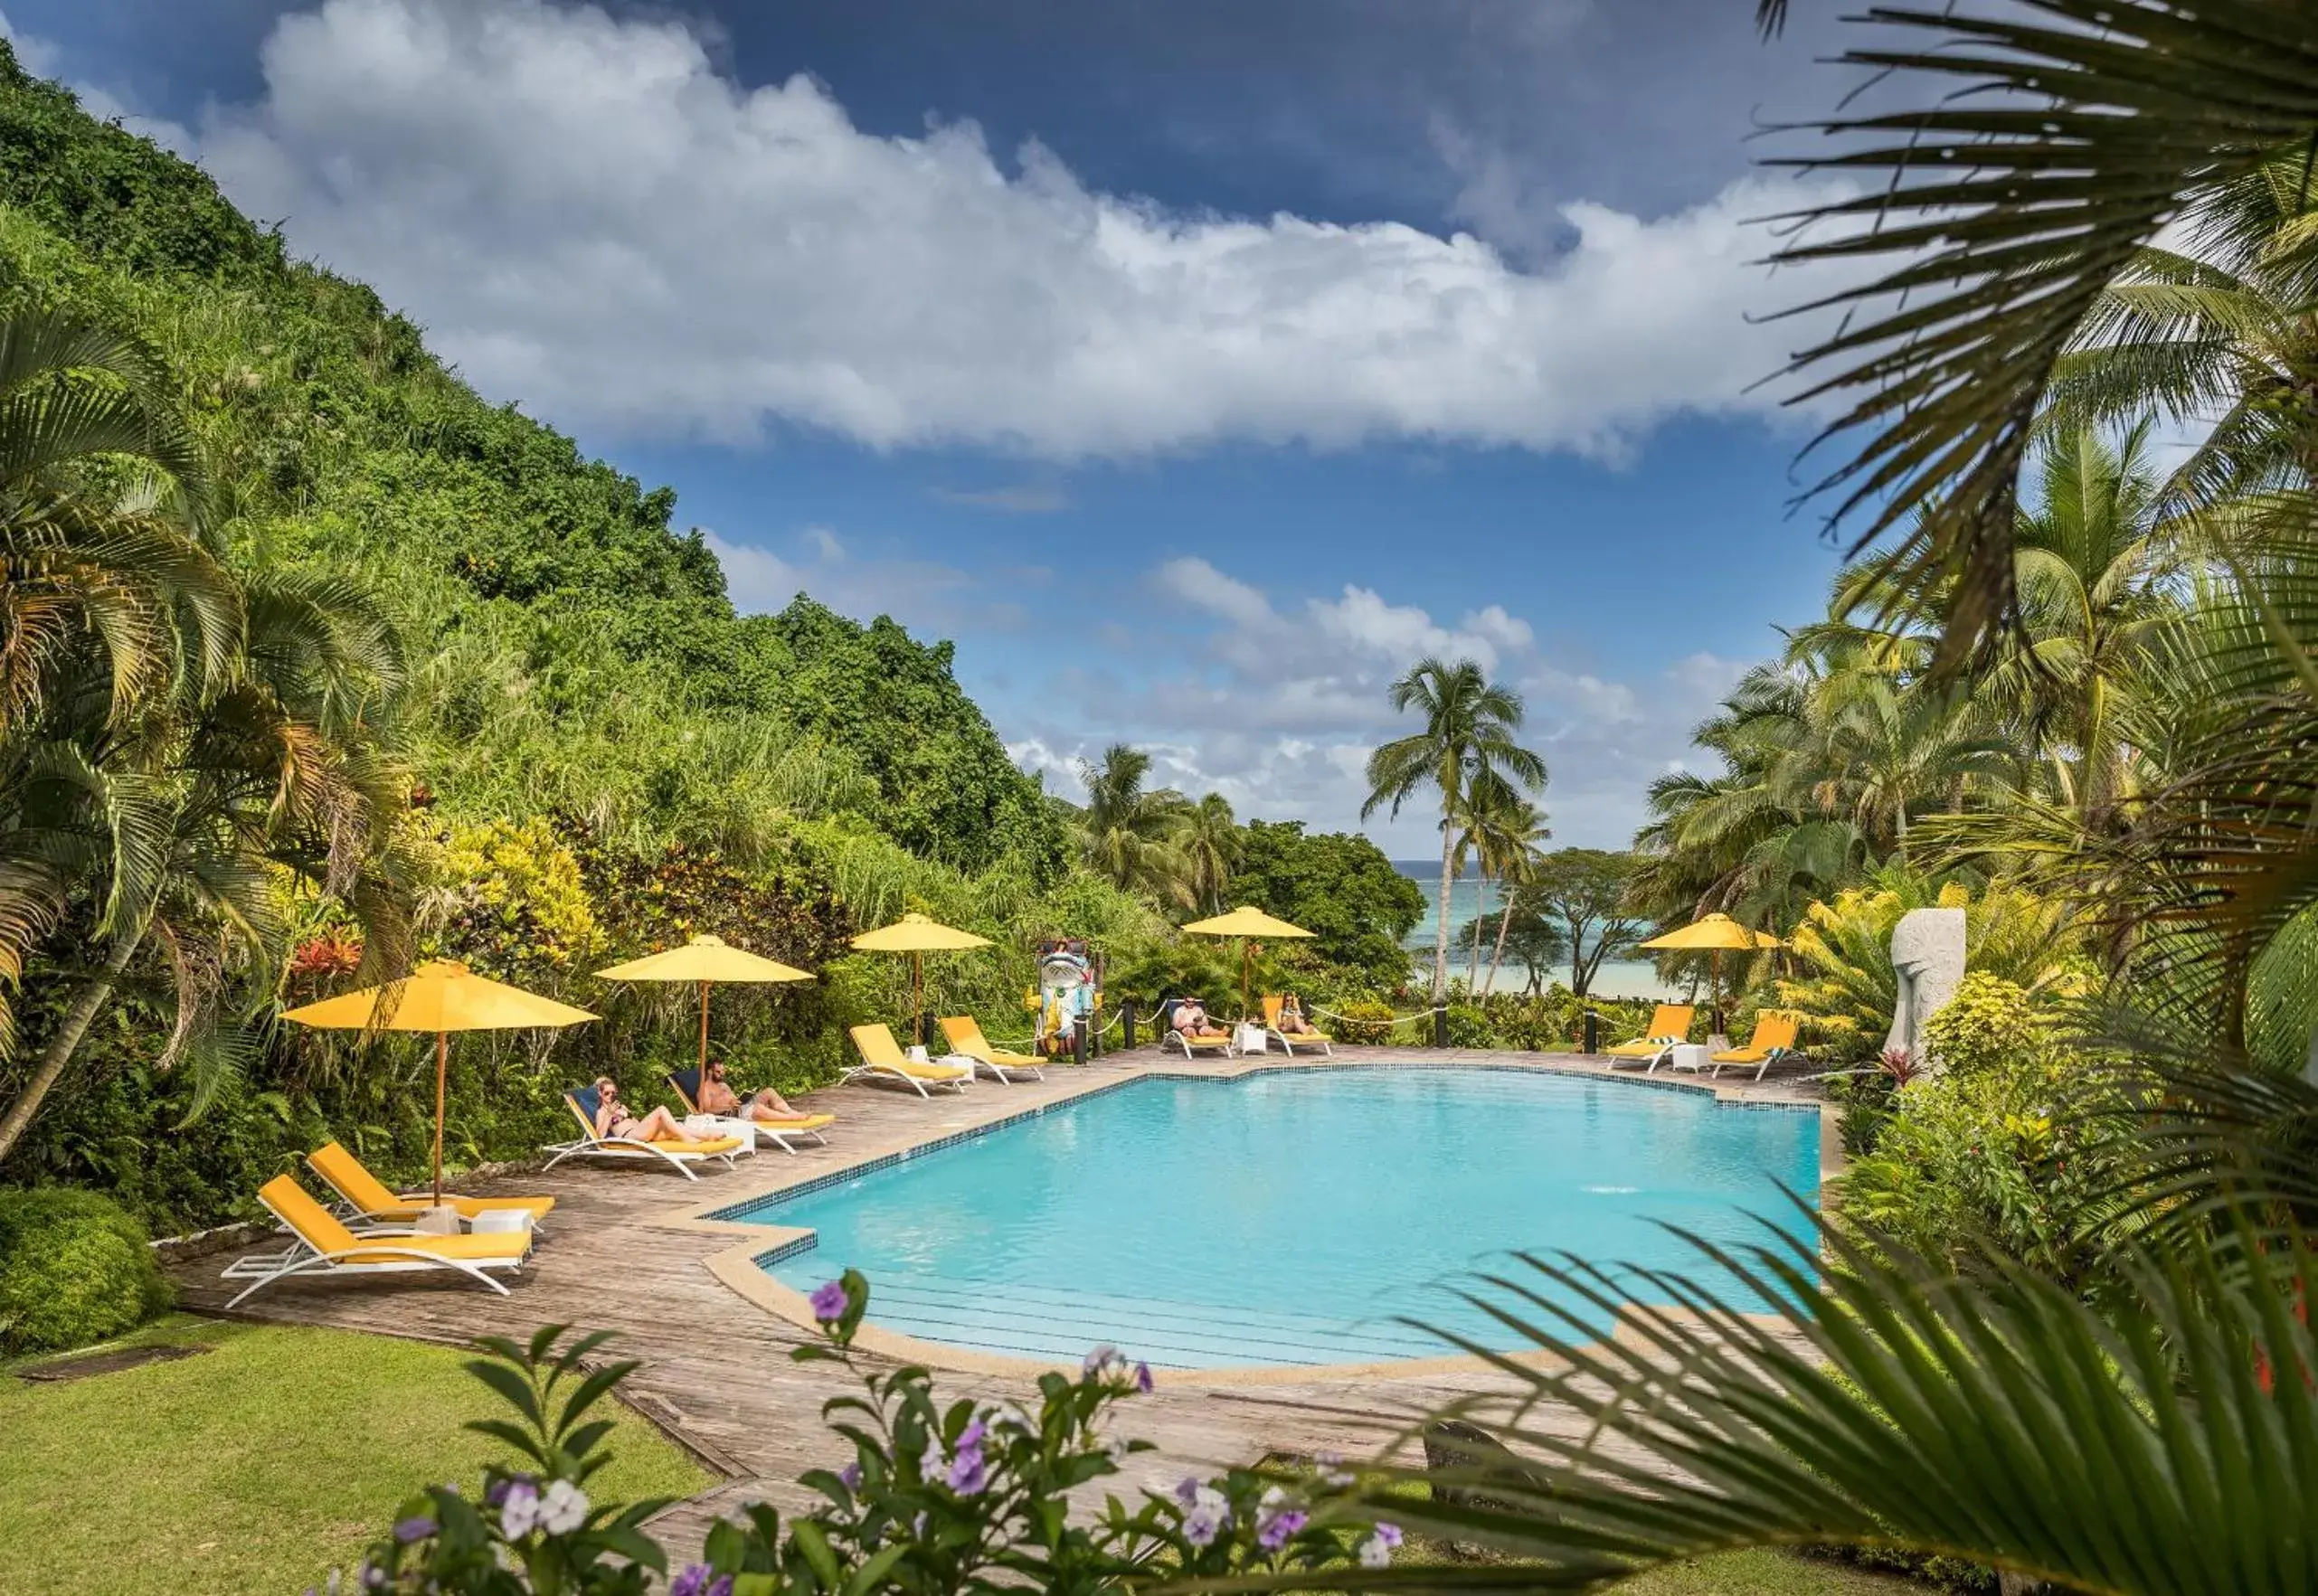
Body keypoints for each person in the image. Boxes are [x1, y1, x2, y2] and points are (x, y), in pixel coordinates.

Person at [696, 1060, 801, 1122]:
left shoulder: (723, 1085)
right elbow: (706, 1110)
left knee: (769, 1091)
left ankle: (791, 1112)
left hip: (740, 1107)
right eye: (719, 1072)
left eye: (724, 1071)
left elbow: (734, 1098)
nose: (723, 1074)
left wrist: (742, 1098)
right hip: (729, 1114)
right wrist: (729, 1106)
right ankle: (790, 1118)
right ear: (710, 1071)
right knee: (758, 1108)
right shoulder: (704, 1089)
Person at [590, 1077, 688, 1143]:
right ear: (600, 1093)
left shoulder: (621, 1106)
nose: (610, 1095)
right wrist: (609, 1114)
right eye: (607, 1093)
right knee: (661, 1109)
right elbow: (600, 1136)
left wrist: (625, 1113)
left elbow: (634, 1120)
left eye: (613, 1093)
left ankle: (702, 1136)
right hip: (630, 1135)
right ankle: (688, 1140)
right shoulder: (601, 1112)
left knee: (678, 1127)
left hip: (641, 1131)